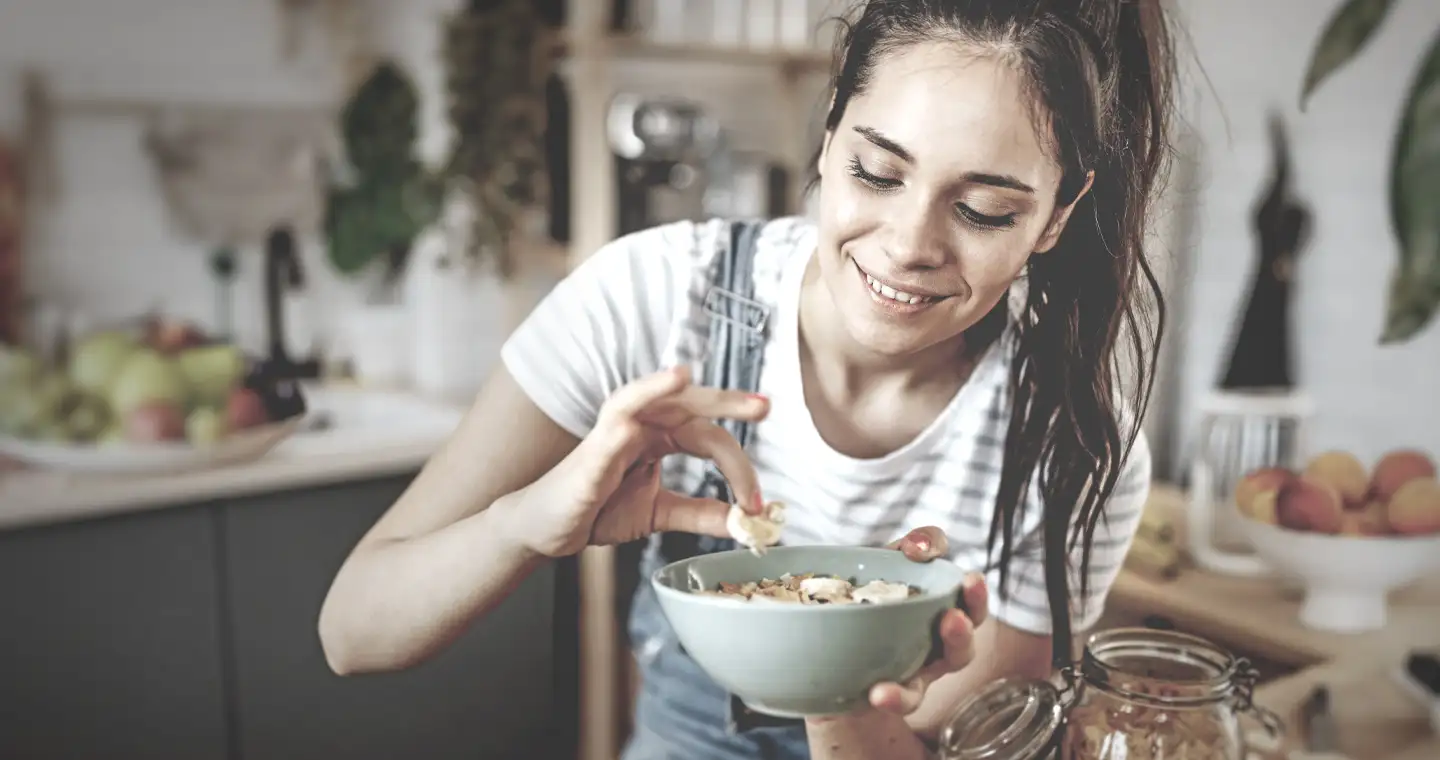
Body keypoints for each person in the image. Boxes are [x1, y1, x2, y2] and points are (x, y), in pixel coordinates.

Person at [318, 0, 1177, 757]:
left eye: (984, 210)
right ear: (831, 126)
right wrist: (528, 524)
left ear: (1058, 215)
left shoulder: (1075, 447)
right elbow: (354, 630)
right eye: (876, 171)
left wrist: (840, 672)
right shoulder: (655, 299)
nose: (911, 243)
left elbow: (951, 743)